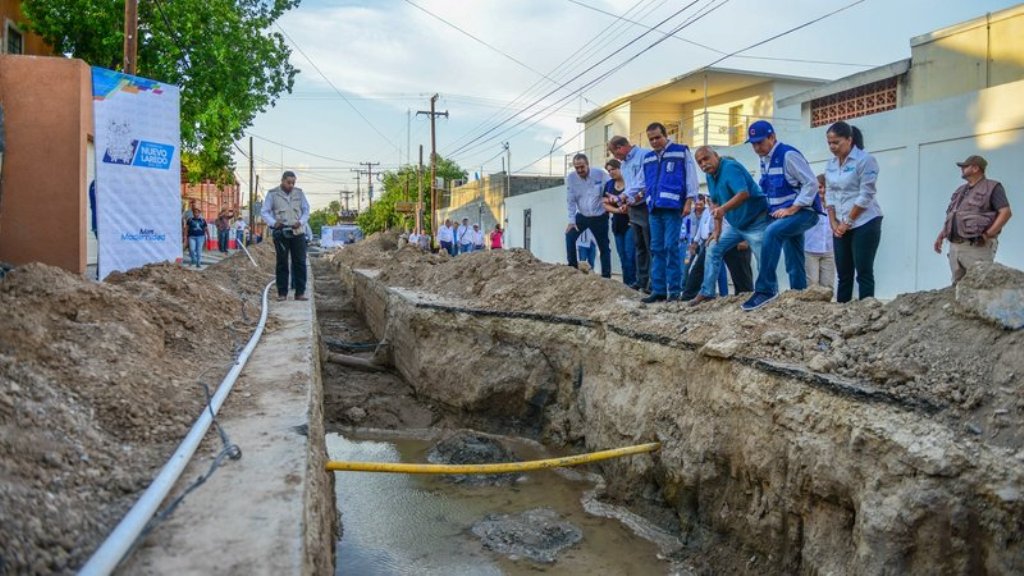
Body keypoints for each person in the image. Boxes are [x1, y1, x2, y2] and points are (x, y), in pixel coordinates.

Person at [743, 121, 823, 310]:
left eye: (760, 142)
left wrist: (792, 209)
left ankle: (765, 289)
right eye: (753, 144)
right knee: (793, 258)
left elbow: (811, 184)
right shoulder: (765, 159)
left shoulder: (788, 155)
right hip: (783, 216)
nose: (756, 148)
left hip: (804, 213)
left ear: (772, 137)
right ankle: (799, 296)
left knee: (772, 233)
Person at [688, 146, 769, 307]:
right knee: (713, 247)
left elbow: (743, 193)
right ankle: (707, 292)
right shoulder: (710, 176)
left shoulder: (730, 167)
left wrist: (723, 209)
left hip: (755, 220)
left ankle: (767, 292)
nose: (704, 164)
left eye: (706, 158)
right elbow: (716, 203)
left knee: (762, 257)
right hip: (736, 224)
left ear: (716, 155)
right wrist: (717, 230)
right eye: (700, 162)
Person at [639, 122, 698, 303]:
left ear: (666, 135)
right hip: (654, 208)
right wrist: (627, 196)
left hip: (673, 208)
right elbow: (641, 181)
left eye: (657, 137)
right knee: (656, 249)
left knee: (671, 247)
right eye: (651, 139)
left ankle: (674, 290)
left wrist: (689, 201)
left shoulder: (681, 151)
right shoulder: (648, 158)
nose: (654, 142)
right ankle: (658, 290)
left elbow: (691, 177)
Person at [825, 121, 882, 303]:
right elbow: (830, 193)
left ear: (849, 140)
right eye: (829, 143)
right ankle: (841, 312)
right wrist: (833, 222)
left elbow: (866, 195)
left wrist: (848, 222)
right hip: (840, 224)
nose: (832, 147)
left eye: (836, 142)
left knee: (863, 271)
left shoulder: (865, 160)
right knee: (843, 273)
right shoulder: (831, 164)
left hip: (864, 222)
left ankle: (867, 312)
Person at [934, 155, 1012, 284]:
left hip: (977, 246)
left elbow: (1006, 213)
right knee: (958, 286)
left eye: (965, 166)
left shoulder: (992, 187)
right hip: (955, 247)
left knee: (980, 285)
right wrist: (941, 236)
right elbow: (954, 215)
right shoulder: (960, 190)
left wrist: (988, 234)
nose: (962, 169)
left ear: (976, 168)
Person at [608, 136, 651, 291]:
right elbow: (630, 187)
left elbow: (645, 182)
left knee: (650, 245)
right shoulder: (624, 164)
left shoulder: (644, 155)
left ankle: (652, 283)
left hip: (646, 206)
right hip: (633, 208)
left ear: (621, 147)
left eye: (616, 153)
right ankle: (641, 280)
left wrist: (625, 197)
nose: (616, 158)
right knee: (639, 246)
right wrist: (625, 201)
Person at [261, 170, 311, 302]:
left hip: (297, 232)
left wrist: (301, 222)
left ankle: (300, 293)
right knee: (282, 263)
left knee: (300, 262)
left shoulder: (299, 193)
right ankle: (282, 293)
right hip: (281, 232)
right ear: (282, 181)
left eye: (293, 183)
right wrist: (274, 223)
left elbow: (306, 210)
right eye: (289, 182)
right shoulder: (273, 194)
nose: (291, 185)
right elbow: (264, 212)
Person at [564, 153, 612, 278]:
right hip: (582, 216)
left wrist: (610, 205)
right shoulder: (571, 178)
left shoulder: (600, 174)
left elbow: (611, 187)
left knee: (604, 246)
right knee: (569, 235)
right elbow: (571, 201)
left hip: (599, 216)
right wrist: (571, 220)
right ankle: (572, 268)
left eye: (582, 167)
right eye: (577, 167)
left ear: (587, 164)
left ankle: (606, 276)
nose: (580, 170)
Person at [602, 158, 636, 286]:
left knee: (630, 254)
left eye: (613, 169)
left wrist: (627, 208)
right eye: (609, 170)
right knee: (622, 256)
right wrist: (617, 210)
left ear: (620, 168)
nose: (611, 172)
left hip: (631, 223)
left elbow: (637, 197)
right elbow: (604, 204)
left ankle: (634, 283)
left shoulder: (630, 182)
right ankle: (627, 284)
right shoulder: (609, 185)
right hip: (617, 224)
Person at [805, 174, 835, 290]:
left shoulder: (834, 206)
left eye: (825, 187)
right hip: (810, 250)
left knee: (828, 286)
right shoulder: (808, 205)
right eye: (819, 187)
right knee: (812, 286)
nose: (822, 190)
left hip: (829, 250)